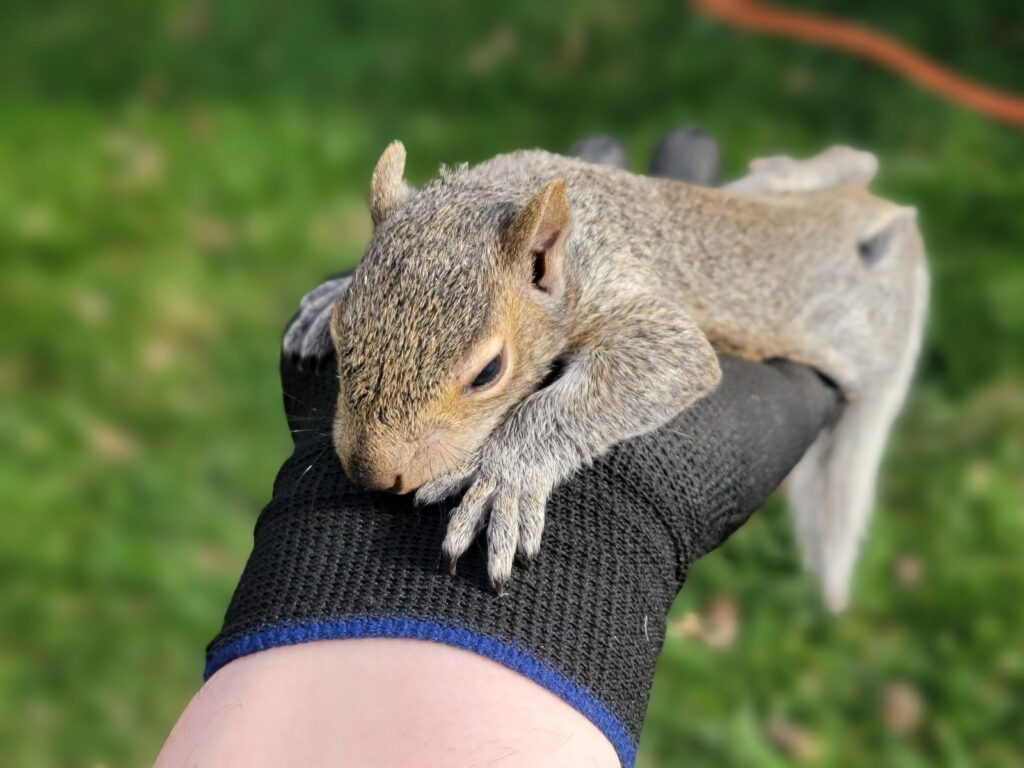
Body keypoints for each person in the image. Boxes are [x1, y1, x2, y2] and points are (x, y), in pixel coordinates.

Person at [156, 130, 838, 767]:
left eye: (483, 372)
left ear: (545, 260)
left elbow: (679, 357)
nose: (376, 464)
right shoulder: (420, 223)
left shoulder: (566, 268)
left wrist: (526, 452)